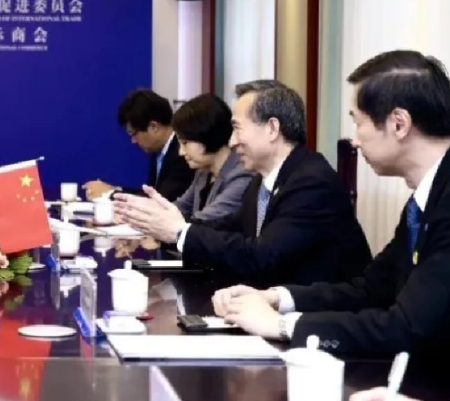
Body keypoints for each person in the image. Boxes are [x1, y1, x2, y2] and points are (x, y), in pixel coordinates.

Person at [213, 51, 450, 356]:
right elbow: (369, 289)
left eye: (358, 123)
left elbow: (407, 328)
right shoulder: (426, 200)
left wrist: (284, 326)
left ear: (399, 124)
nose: (355, 141)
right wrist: (276, 298)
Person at [114, 80, 371, 287]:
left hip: (321, 321)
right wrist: (162, 229)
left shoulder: (310, 182)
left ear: (272, 129)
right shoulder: (262, 181)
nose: (232, 142)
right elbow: (227, 228)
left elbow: (262, 255)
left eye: (237, 129)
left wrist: (180, 232)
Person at [83, 89, 194, 202]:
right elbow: (149, 194)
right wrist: (114, 189)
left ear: (153, 127)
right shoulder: (158, 151)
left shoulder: (183, 154)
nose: (133, 141)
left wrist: (109, 193)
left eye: (133, 134)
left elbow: (160, 200)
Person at [169, 93, 253, 222]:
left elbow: (206, 220)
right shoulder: (203, 171)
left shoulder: (242, 175)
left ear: (206, 135)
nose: (181, 152)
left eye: (185, 143)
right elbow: (182, 206)